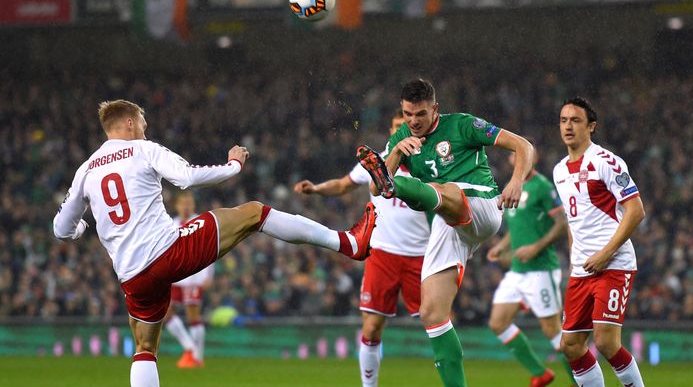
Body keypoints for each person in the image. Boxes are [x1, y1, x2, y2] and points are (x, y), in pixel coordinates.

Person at [52, 99, 377, 387]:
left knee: (145, 348)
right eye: (143, 126)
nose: (145, 132)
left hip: (132, 276)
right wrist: (233, 165)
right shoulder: (143, 149)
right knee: (254, 213)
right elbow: (187, 177)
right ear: (129, 122)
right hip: (168, 252)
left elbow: (61, 228)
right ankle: (349, 242)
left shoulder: (85, 171)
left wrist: (81, 227)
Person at [356, 79, 534, 387]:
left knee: (440, 190)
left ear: (435, 109)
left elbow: (524, 145)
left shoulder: (463, 125)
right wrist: (397, 151)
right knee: (432, 313)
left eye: (420, 114)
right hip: (446, 220)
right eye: (408, 114)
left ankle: (397, 185)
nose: (413, 121)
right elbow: (373, 187)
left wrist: (517, 180)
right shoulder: (402, 136)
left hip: (482, 203)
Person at [294, 109, 430, 387]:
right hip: (382, 253)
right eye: (395, 125)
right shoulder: (376, 160)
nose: (400, 129)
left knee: (438, 323)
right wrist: (317, 189)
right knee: (371, 326)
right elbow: (344, 184)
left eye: (405, 125)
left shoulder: (430, 162)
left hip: (422, 254)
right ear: (391, 129)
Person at [552, 97, 645, 387]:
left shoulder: (607, 162)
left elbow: (636, 210)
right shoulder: (558, 170)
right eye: (564, 120)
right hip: (582, 269)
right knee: (570, 345)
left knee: (605, 341)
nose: (568, 126)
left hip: (613, 263)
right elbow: (571, 219)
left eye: (576, 120)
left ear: (591, 126)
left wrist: (606, 253)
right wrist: (573, 260)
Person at [486, 149, 575, 387]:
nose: (512, 158)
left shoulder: (542, 187)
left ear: (531, 158)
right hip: (517, 270)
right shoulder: (512, 186)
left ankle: (583, 382)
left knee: (553, 332)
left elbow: (561, 223)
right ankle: (540, 372)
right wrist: (502, 247)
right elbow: (516, 228)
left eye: (519, 154)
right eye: (513, 155)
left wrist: (536, 247)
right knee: (498, 322)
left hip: (541, 270)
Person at [163, 191, 212, 369]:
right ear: (177, 206)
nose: (186, 206)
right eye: (182, 203)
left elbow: (210, 248)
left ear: (193, 205)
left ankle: (197, 356)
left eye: (188, 202)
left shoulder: (200, 222)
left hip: (194, 277)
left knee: (193, 316)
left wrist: (207, 275)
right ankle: (190, 348)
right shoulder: (171, 224)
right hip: (176, 277)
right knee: (165, 313)